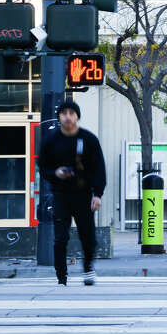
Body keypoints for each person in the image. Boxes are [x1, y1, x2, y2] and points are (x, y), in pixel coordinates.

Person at [39, 100, 107, 286]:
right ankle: (62, 276)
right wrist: (56, 173)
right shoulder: (51, 141)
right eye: (64, 113)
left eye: (71, 113)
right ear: (59, 116)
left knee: (88, 236)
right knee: (60, 238)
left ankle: (88, 268)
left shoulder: (88, 139)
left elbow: (98, 168)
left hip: (84, 194)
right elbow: (43, 167)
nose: (68, 116)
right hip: (61, 194)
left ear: (77, 116)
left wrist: (97, 194)